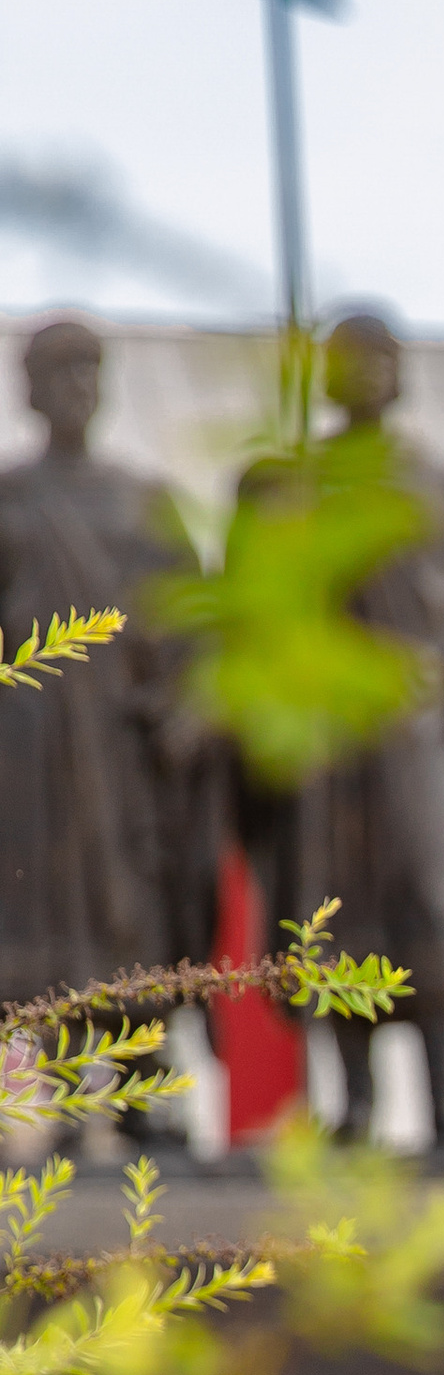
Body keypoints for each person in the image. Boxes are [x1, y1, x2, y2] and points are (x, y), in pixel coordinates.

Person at [236, 311, 444, 1146]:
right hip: (331, 739)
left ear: (400, 376)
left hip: (418, 734)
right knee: (335, 906)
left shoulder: (437, 488)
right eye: (348, 359)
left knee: (435, 900)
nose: (365, 373)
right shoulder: (294, 485)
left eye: (379, 358)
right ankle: (354, 1105)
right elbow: (253, 605)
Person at [0, 317, 212, 1005]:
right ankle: (36, 1044)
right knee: (29, 895)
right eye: (57, 371)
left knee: (131, 891)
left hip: (124, 741)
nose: (76, 386)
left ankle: (138, 1040)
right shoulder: (9, 497)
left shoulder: (145, 502)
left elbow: (194, 625)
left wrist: (181, 708)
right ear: (29, 390)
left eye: (88, 369)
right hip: (25, 744)